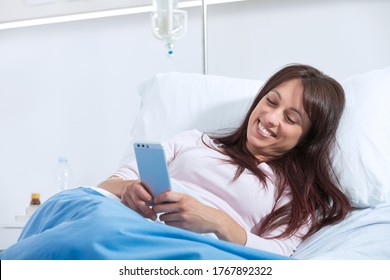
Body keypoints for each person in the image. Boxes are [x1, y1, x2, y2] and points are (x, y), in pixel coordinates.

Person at [97, 64, 352, 256]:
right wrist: (128, 189)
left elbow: (278, 253)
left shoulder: (294, 195)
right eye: (271, 102)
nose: (271, 118)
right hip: (126, 223)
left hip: (186, 251)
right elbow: (108, 184)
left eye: (291, 119)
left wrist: (216, 221)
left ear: (308, 137)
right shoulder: (196, 141)